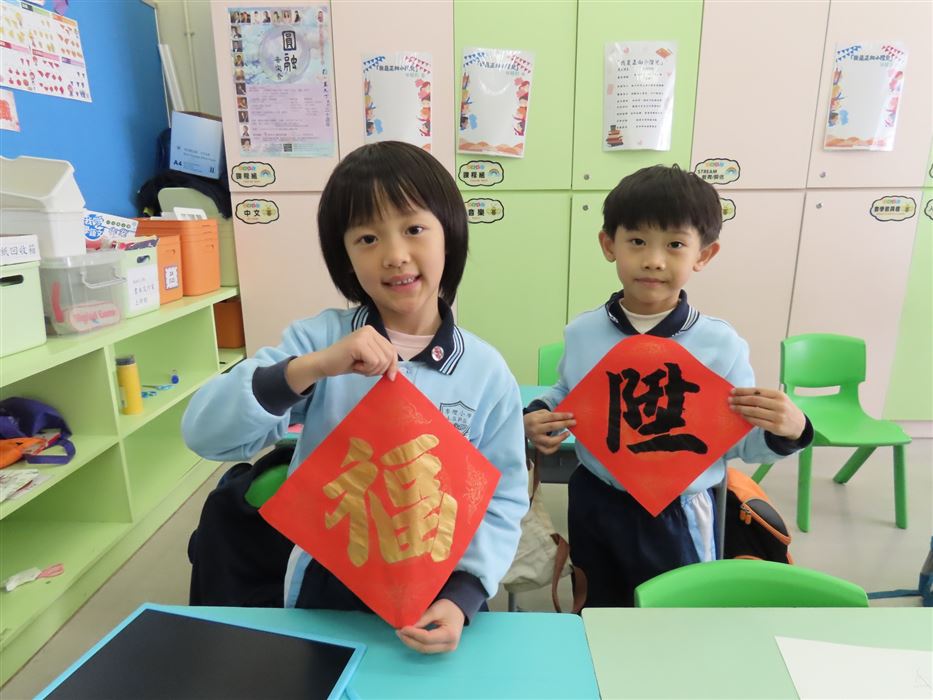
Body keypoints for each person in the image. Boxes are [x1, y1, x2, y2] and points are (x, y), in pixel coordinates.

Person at [182, 141, 529, 653]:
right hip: (324, 583)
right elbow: (203, 433)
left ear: (449, 235)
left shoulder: (486, 373)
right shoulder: (319, 341)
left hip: (433, 591)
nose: (395, 255)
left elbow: (503, 498)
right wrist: (312, 368)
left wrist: (464, 595)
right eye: (367, 237)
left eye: (414, 229)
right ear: (344, 257)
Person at [523, 164, 813, 608]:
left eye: (675, 244)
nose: (654, 260)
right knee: (596, 604)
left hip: (680, 511)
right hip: (596, 499)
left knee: (677, 613)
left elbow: (741, 441)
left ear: (704, 255)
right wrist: (541, 413)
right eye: (637, 241)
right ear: (609, 245)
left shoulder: (720, 345)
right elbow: (568, 391)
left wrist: (790, 430)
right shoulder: (583, 332)